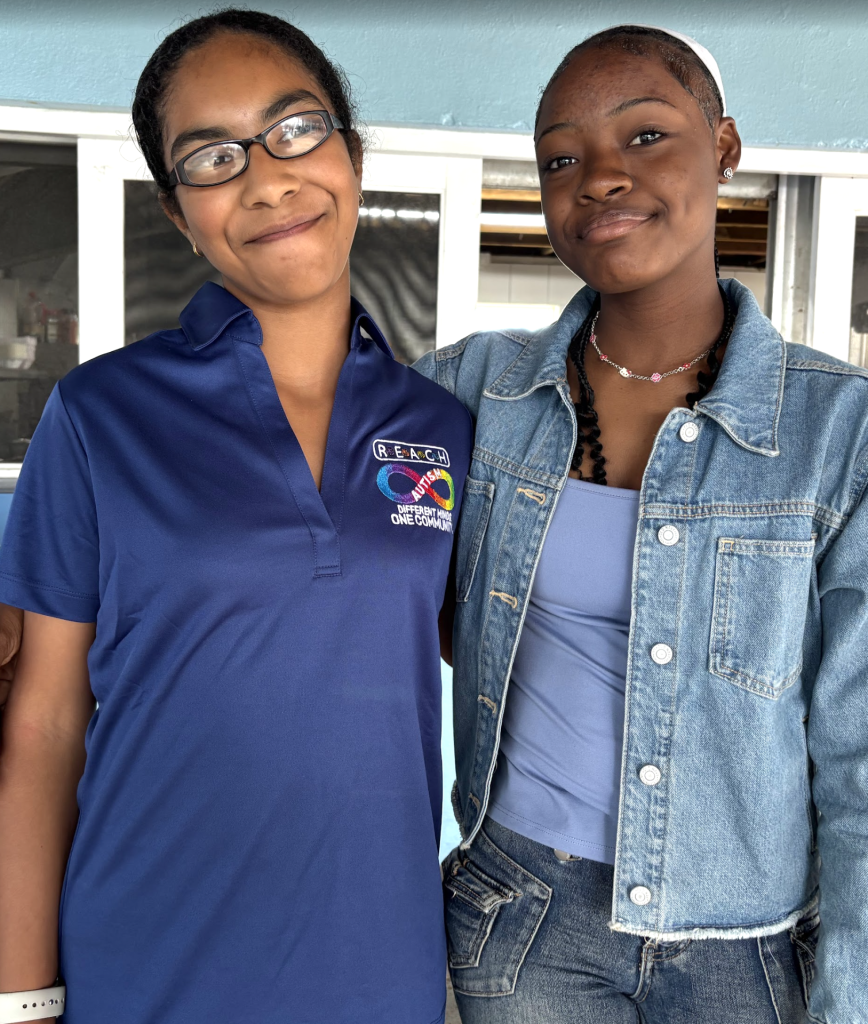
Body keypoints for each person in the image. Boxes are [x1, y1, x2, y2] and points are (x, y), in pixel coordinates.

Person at [0, 10, 470, 1024]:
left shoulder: (442, 427)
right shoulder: (100, 414)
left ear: (351, 152)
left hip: (380, 972)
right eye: (212, 158)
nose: (266, 180)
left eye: (295, 129)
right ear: (176, 212)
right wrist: (22, 998)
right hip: (146, 967)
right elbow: (44, 723)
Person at [415, 25, 868, 1024]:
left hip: (746, 950)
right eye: (561, 159)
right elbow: (310, 485)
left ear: (725, 146)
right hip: (522, 916)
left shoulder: (839, 430)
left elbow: (859, 754)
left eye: (646, 135)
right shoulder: (473, 391)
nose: (600, 178)